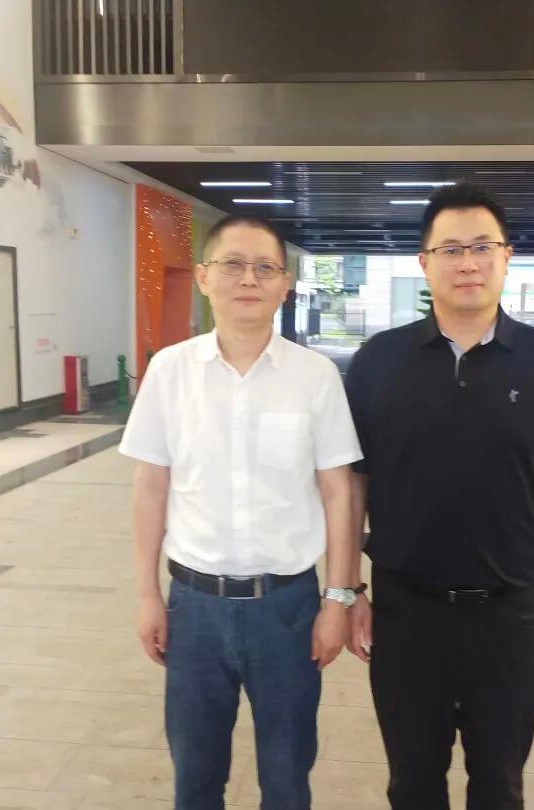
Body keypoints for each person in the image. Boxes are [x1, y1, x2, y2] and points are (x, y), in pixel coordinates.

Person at [343, 183, 534, 809]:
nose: (468, 263)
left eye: (483, 247)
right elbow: (351, 483)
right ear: (424, 262)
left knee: (499, 785)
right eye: (451, 249)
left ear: (507, 256)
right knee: (412, 785)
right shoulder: (379, 361)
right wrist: (350, 589)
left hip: (511, 616)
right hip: (407, 615)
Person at [119, 215, 364, 810]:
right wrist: (147, 595)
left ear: (285, 285)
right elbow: (151, 485)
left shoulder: (315, 377)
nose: (248, 279)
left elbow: (339, 492)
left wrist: (338, 601)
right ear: (204, 277)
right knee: (195, 777)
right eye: (232, 264)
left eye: (265, 267)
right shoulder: (169, 371)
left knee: (286, 776)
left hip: (288, 609)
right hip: (194, 609)